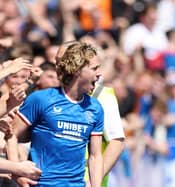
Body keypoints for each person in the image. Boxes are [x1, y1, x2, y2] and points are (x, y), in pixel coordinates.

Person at [7, 41, 104, 187]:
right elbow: (11, 135)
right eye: (94, 68)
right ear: (78, 69)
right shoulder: (41, 99)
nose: (99, 74)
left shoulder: (95, 108)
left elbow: (95, 156)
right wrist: (16, 173)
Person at [56, 41, 125, 187]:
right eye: (56, 61)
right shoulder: (49, 96)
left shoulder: (101, 95)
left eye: (62, 61)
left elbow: (116, 142)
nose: (58, 66)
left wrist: (93, 181)